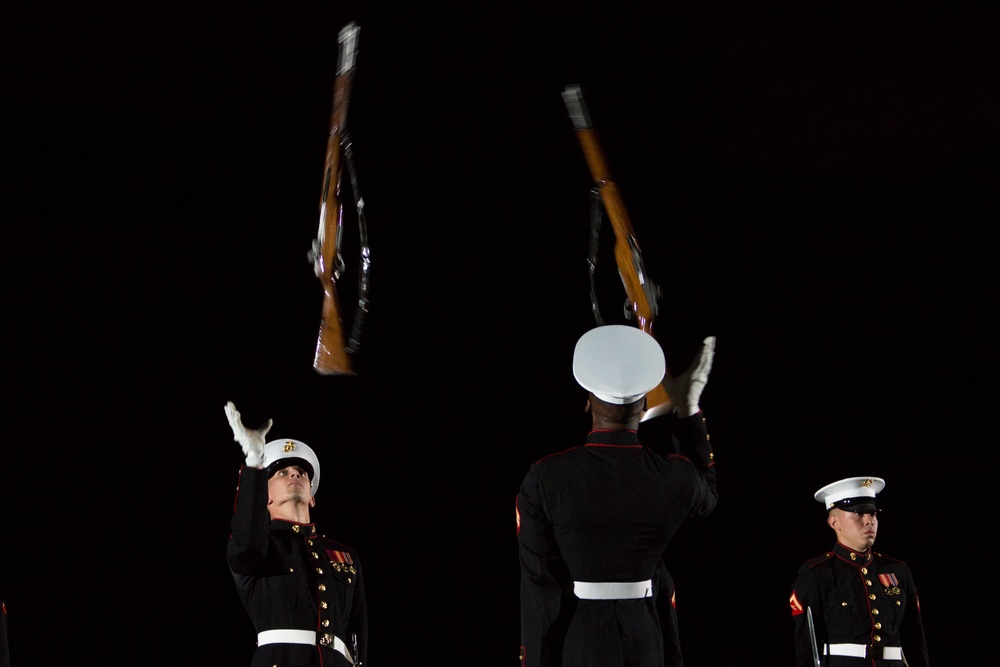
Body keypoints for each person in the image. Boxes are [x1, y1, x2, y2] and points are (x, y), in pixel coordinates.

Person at [516, 325, 718, 666]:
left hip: (580, 638)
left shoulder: (547, 476)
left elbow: (538, 583)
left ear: (587, 401)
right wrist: (688, 410)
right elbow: (708, 492)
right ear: (643, 405)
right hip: (646, 633)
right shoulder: (674, 476)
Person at [224, 401, 368, 666]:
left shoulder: (345, 556)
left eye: (301, 472)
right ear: (265, 496)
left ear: (312, 497)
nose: (295, 475)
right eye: (282, 472)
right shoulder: (262, 547)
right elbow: (245, 545)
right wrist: (254, 462)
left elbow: (357, 636)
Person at [789, 476, 929, 667]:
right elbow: (807, 646)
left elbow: (915, 639)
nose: (869, 521)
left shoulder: (897, 570)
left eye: (873, 514)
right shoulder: (818, 573)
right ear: (834, 523)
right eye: (858, 513)